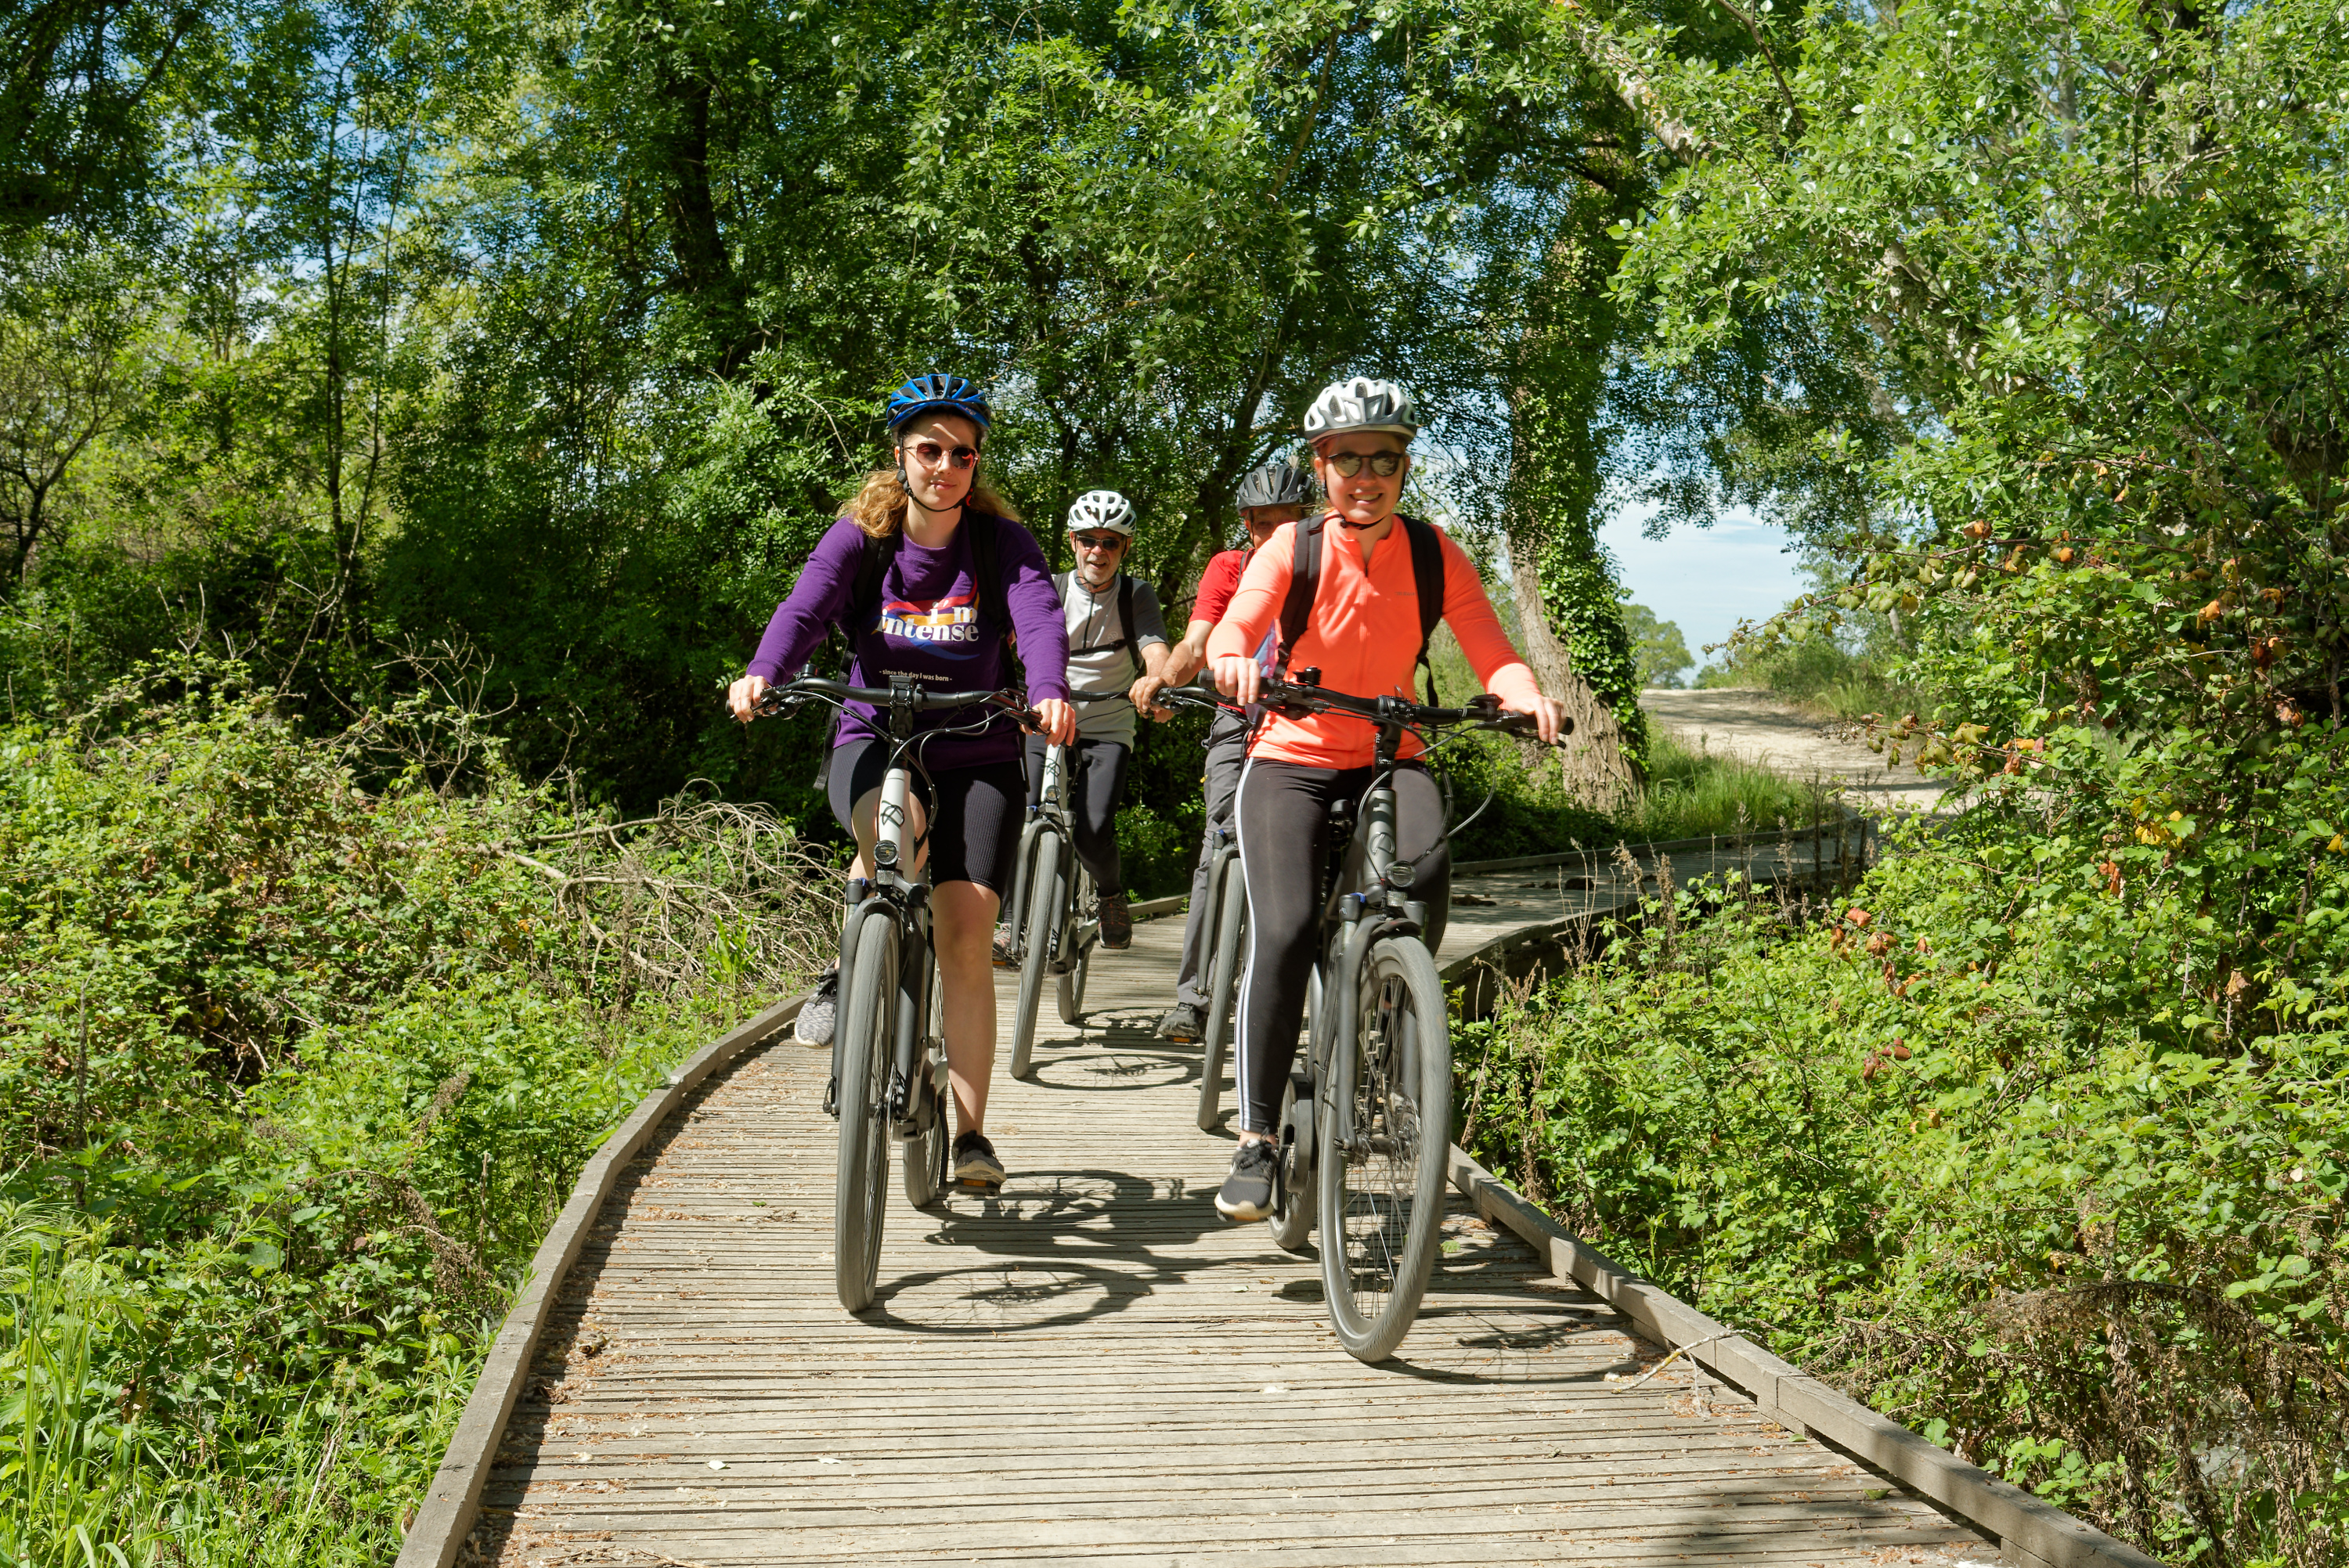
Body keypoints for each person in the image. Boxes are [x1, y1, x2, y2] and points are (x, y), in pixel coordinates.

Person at [1202, 377, 1567, 1221]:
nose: (1365, 474)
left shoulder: (1436, 553)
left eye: (1384, 458)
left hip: (1389, 748)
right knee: (1287, 927)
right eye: (1346, 459)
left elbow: (1490, 649)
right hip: (1291, 752)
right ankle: (1257, 1136)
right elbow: (1240, 622)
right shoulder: (1288, 549)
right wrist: (1231, 656)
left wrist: (1524, 694)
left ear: (1404, 467)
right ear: (1321, 466)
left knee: (1426, 874)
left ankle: (1380, 1027)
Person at [727, 373, 1076, 1191]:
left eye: (962, 453)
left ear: (975, 463)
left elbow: (1037, 617)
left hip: (979, 746)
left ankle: (972, 1133)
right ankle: (858, 969)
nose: (945, 465)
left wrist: (1050, 689)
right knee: (893, 831)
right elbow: (806, 608)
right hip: (874, 735)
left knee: (965, 931)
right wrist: (763, 672)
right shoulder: (863, 537)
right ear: (901, 454)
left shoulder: (1000, 543)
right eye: (929, 449)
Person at [1137, 459, 1315, 1042]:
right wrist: (1164, 678)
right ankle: (1192, 999)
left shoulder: (1322, 568)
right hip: (1237, 720)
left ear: (1304, 521)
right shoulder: (1227, 567)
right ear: (1246, 523)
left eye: (1284, 522)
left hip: (1306, 727)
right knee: (1218, 849)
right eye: (1261, 524)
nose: (1272, 535)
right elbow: (1196, 640)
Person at [999, 489, 1169, 956]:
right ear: (1073, 542)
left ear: (1125, 548)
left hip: (1109, 725)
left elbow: (1156, 652)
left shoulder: (1136, 595)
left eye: (1111, 542)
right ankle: (1010, 924)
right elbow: (1008, 641)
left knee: (1094, 831)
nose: (1099, 551)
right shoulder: (1048, 589)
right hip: (1045, 719)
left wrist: (1160, 683)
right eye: (1089, 540)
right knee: (1023, 815)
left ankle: (1110, 895)